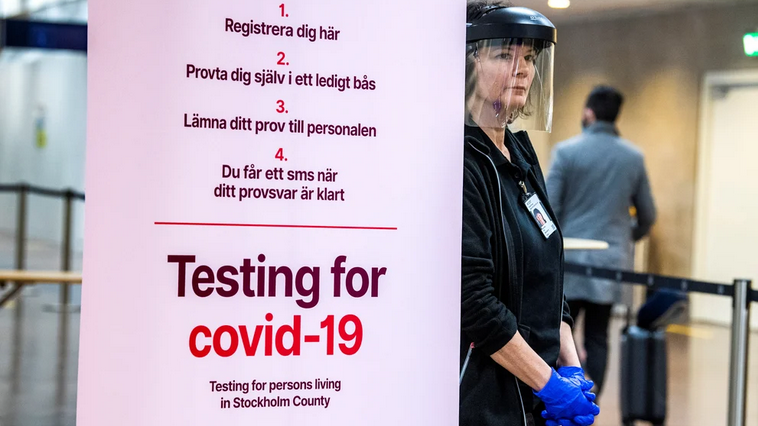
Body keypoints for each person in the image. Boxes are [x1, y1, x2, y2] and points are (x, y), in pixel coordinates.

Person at [460, 2, 599, 426]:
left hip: (534, 388)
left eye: (530, 58)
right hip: (486, 399)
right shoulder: (462, 160)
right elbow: (474, 302)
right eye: (505, 55)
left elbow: (547, 276)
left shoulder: (520, 151)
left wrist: (571, 369)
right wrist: (549, 385)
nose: (522, 70)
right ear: (467, 63)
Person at [546, 85, 657, 400]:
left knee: (559, 333)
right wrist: (626, 236)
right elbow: (648, 214)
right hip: (610, 265)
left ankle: (561, 400)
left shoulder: (566, 152)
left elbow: (548, 208)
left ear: (588, 113)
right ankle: (590, 403)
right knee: (598, 336)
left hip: (569, 262)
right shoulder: (633, 157)